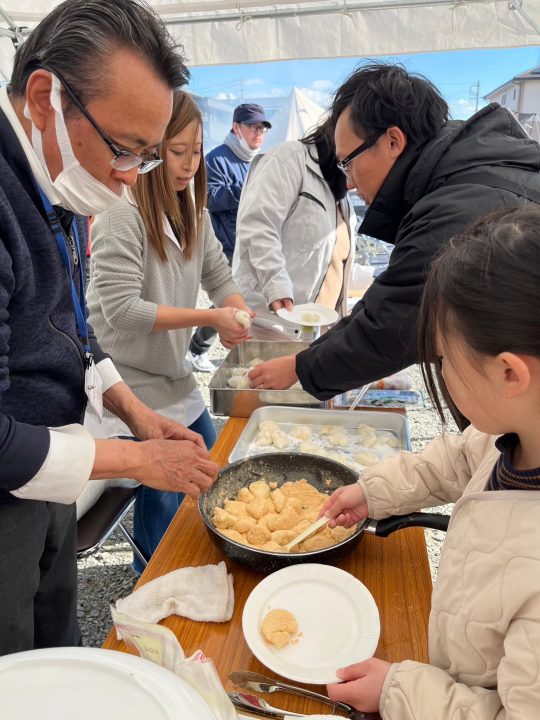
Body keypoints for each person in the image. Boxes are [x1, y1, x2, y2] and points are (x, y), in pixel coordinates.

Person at [0, 0, 218, 657]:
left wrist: (131, 410)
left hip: (50, 471)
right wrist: (139, 460)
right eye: (125, 150)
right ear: (45, 99)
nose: (128, 181)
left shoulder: (53, 186)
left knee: (59, 641)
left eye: (145, 159)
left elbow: (72, 327)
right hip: (11, 480)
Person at [321, 206, 540, 719]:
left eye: (444, 359)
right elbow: (453, 460)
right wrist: (371, 490)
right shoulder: (509, 434)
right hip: (452, 656)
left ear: (510, 373)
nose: (439, 373)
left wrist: (398, 692)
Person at [248, 63, 540, 414]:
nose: (350, 182)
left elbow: (394, 319)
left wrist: (302, 366)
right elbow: (390, 300)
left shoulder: (458, 202)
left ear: (393, 141)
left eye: (349, 162)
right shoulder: (472, 166)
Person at [85, 90, 252, 571]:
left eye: (196, 152)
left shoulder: (193, 214)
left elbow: (220, 279)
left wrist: (235, 313)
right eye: (178, 152)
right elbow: (122, 310)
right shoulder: (123, 214)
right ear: (153, 151)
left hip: (171, 374)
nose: (189, 165)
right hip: (126, 380)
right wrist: (209, 318)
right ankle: (153, 573)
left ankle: (181, 557)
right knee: (168, 480)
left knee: (206, 458)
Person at [232, 118, 356, 340]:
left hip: (312, 328)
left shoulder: (341, 189)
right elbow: (259, 224)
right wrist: (275, 284)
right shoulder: (288, 159)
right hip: (270, 322)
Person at [187, 103, 271, 371]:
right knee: (227, 299)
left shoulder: (262, 160)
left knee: (254, 298)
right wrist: (249, 189)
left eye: (262, 128)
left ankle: (249, 348)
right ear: (236, 127)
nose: (259, 133)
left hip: (258, 242)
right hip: (228, 245)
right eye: (253, 126)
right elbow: (211, 198)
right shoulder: (216, 159)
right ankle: (197, 348)